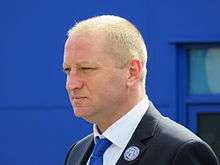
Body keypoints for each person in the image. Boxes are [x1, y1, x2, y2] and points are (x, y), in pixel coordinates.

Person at [63, 15, 219, 165]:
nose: (72, 84)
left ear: (132, 72)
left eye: (86, 68)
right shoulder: (78, 152)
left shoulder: (181, 151)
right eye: (68, 70)